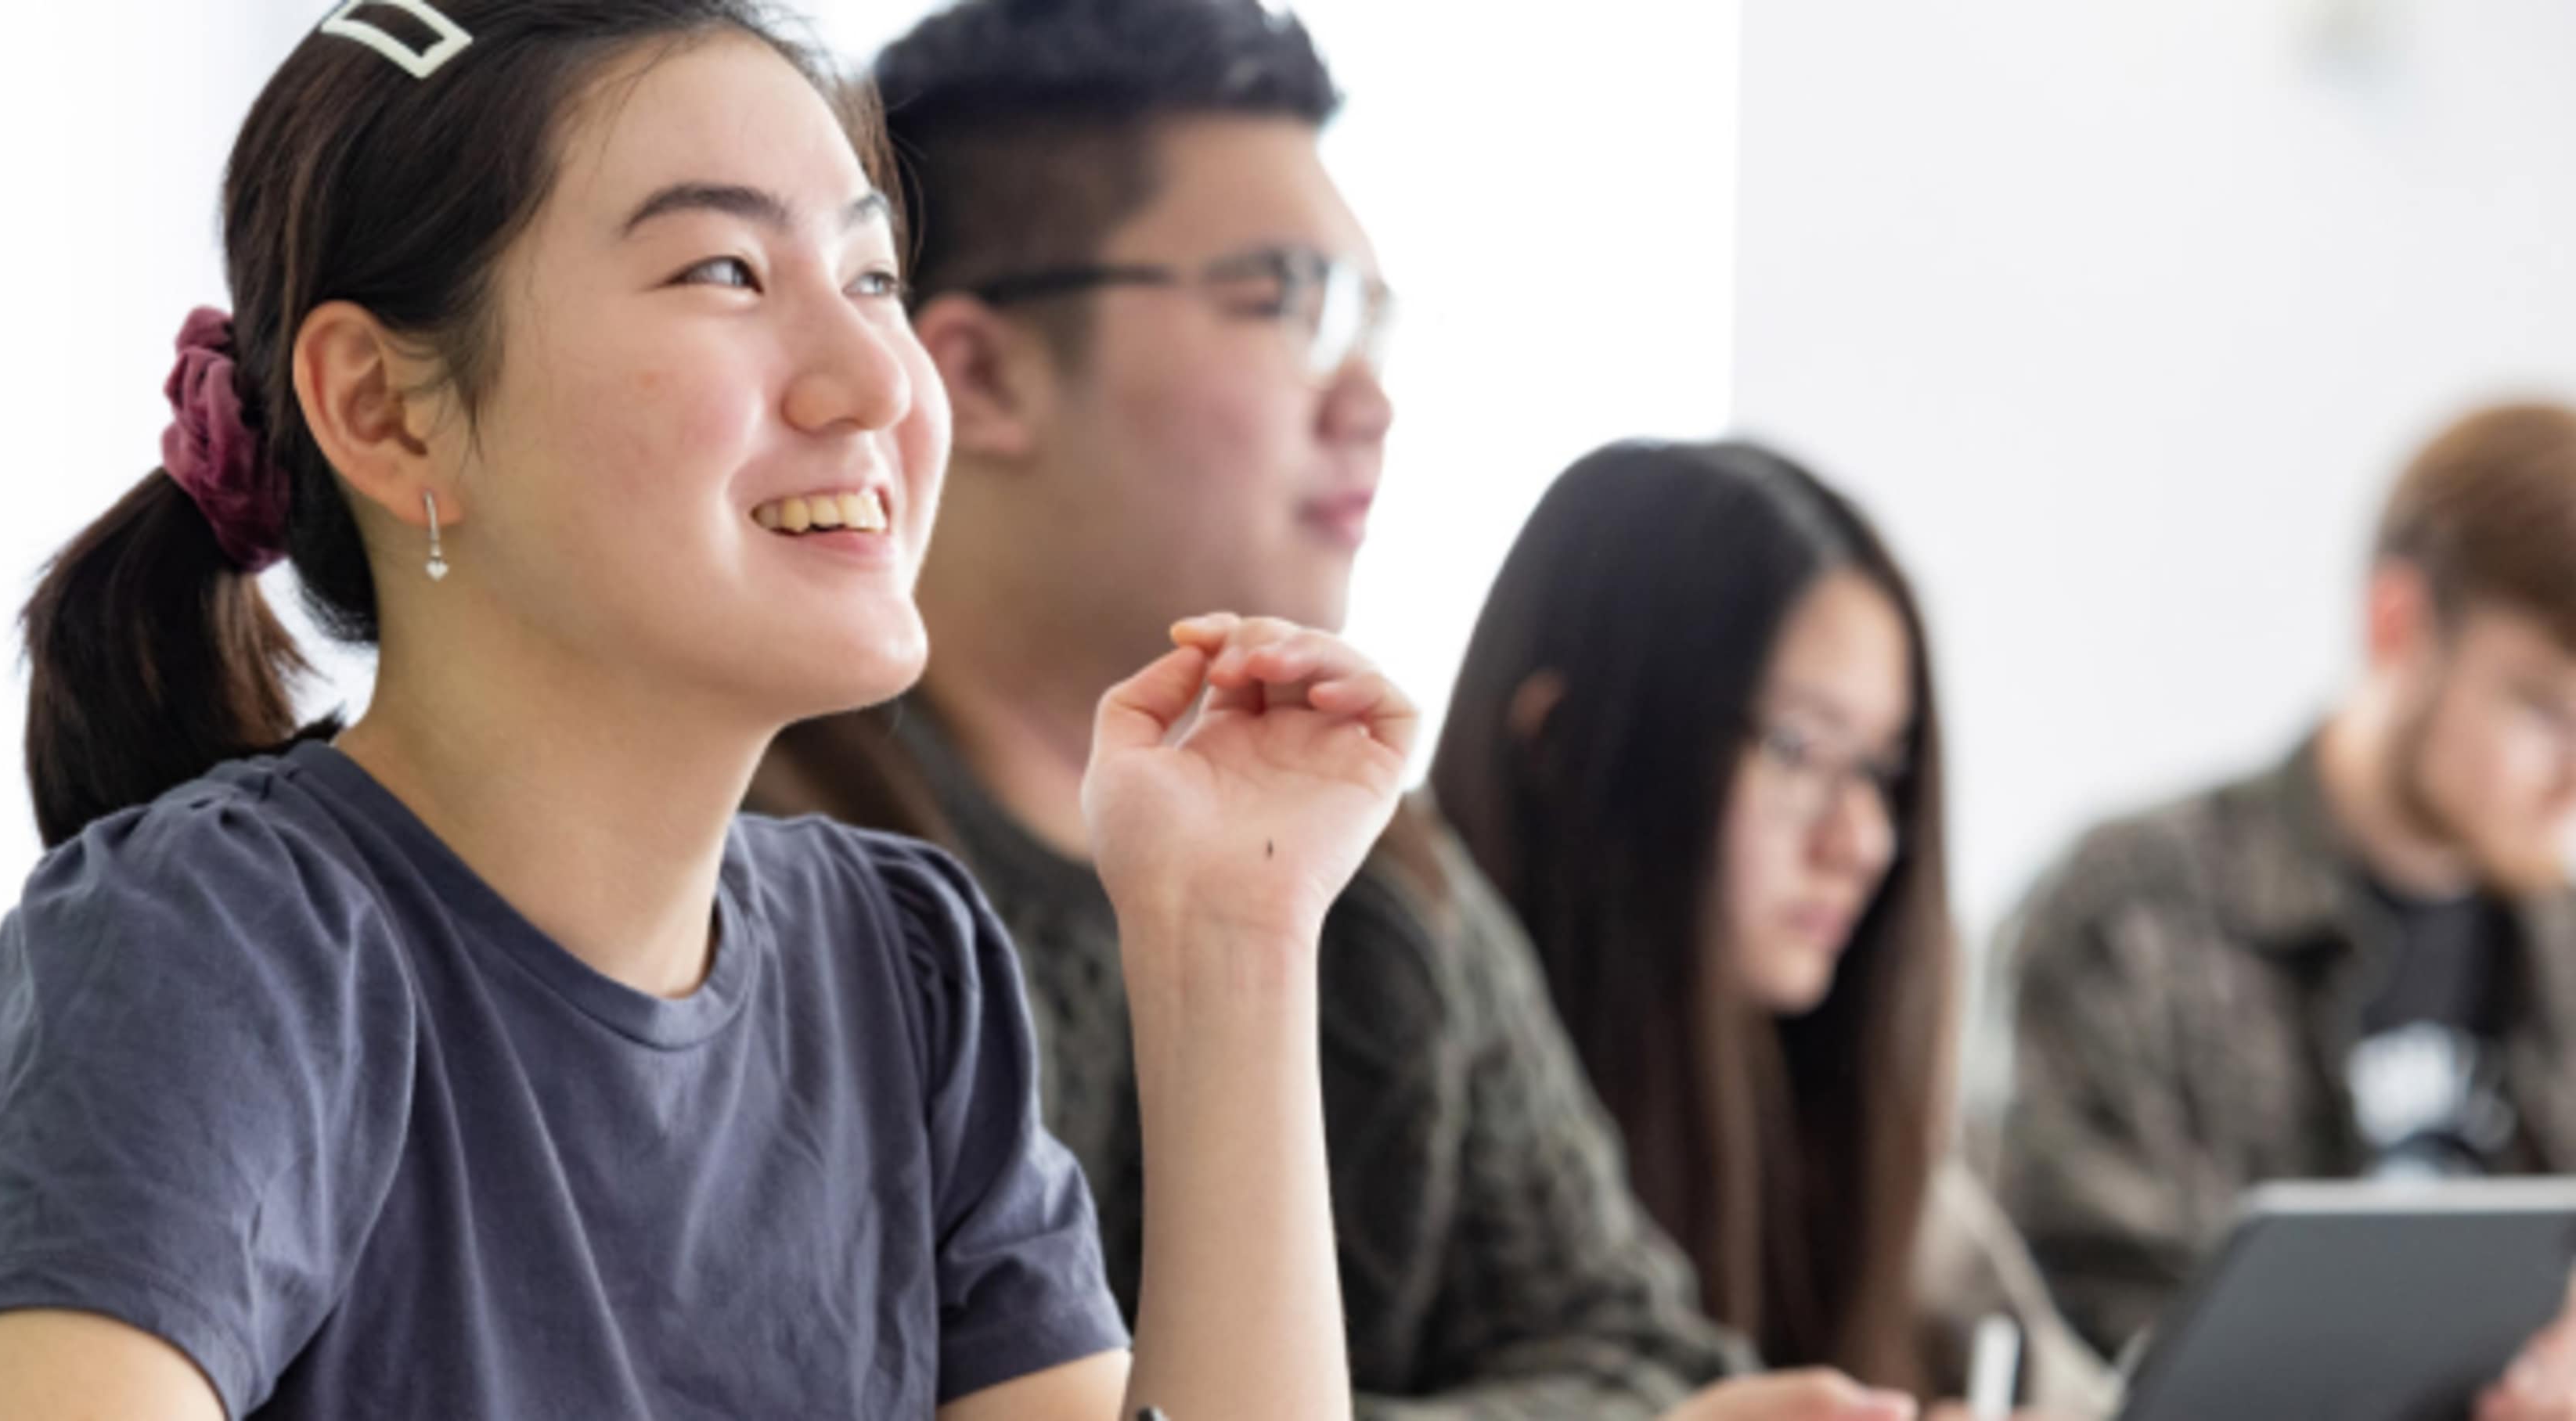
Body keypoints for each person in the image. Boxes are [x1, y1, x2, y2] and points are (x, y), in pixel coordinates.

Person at [0, 2, 1418, 1417]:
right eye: (725, 273)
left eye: (874, 276)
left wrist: (1231, 934)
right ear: (384, 405)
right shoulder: (217, 940)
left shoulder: (908, 964)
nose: (873, 380)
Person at [750, 4, 1923, 1419]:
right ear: (980, 374)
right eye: (1285, 303)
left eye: (1371, 320)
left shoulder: (1365, 849)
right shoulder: (767, 853)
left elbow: (1639, 1350)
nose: (1368, 398)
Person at [1429, 440, 2113, 1414]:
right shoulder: (1379, 1045)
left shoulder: (1847, 1127)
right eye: (1797, 749)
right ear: (1567, 743)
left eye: (1880, 769)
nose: (1865, 840)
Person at [1998, 401, 2576, 1381]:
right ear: (2399, 624)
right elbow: (2095, 1329)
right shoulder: (2129, 919)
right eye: (2543, 709)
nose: (2572, 778)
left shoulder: (2559, 939)